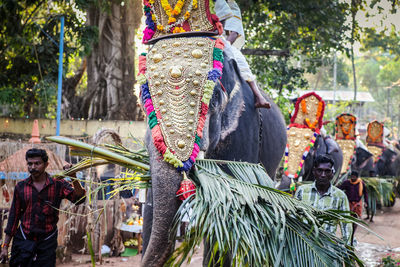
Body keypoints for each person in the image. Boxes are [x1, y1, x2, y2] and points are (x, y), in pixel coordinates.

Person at [0, 148, 86, 266]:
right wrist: (5, 247)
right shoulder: (21, 187)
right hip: (23, 240)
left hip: (47, 242)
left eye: (37, 163)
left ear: (46, 165)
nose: (33, 167)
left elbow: (79, 199)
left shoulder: (58, 184)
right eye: (30, 164)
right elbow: (13, 217)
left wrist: (73, 177)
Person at [214, 0, 271, 109]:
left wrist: (223, 45)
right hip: (203, 42)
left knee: (239, 59)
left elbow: (234, 33)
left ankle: (258, 96)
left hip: (224, 43)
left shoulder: (232, 6)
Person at [295, 155, 352, 243]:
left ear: (332, 173)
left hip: (327, 249)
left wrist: (348, 248)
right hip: (304, 245)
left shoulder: (340, 196)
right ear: (314, 172)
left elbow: (346, 224)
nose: (323, 175)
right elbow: (293, 216)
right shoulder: (302, 191)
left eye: (327, 171)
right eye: (319, 171)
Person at [338, 170, 368, 244]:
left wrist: (366, 202)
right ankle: (348, 234)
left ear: (357, 177)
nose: (353, 178)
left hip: (358, 204)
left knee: (356, 220)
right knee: (348, 220)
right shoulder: (347, 183)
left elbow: (365, 193)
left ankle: (352, 234)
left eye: (354, 177)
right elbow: (340, 189)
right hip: (349, 203)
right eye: (352, 176)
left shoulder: (361, 183)